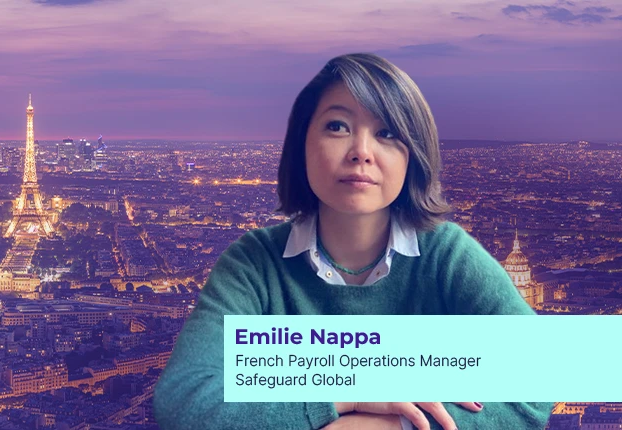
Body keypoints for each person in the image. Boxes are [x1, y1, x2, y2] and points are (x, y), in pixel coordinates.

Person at [153, 53, 554, 430]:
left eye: (387, 132)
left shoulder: (447, 254)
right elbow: (181, 402)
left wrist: (380, 422)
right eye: (337, 126)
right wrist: (348, 390)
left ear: (412, 156)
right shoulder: (253, 264)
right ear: (301, 145)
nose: (361, 151)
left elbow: (541, 379)